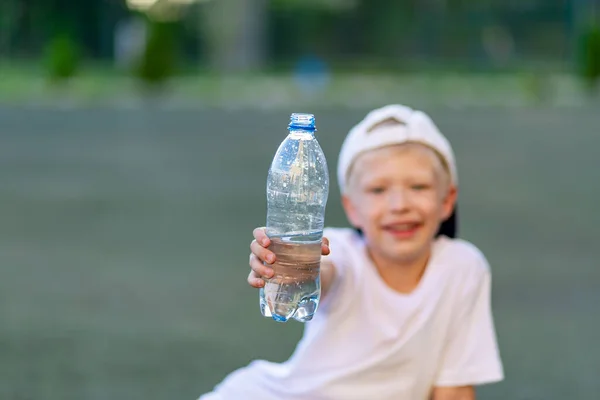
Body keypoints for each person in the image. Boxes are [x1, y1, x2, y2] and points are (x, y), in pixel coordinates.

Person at [199, 104, 504, 400]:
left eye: (418, 187)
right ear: (352, 208)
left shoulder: (463, 267)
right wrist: (283, 265)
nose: (399, 205)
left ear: (447, 200)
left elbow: (455, 389)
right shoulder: (340, 251)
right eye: (378, 190)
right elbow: (319, 271)